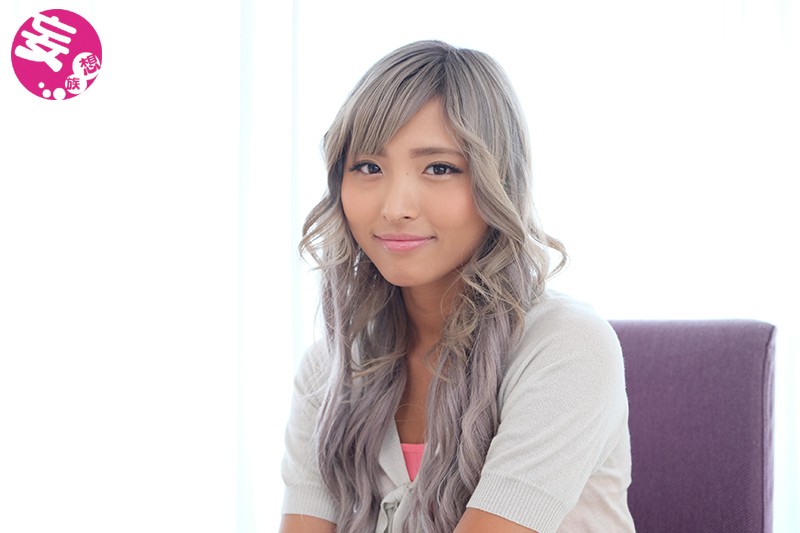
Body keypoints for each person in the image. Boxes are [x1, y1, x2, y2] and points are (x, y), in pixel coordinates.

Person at [280, 40, 634, 533]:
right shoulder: (331, 368)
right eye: (368, 167)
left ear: (497, 182)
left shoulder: (566, 346)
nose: (395, 208)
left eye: (439, 168)